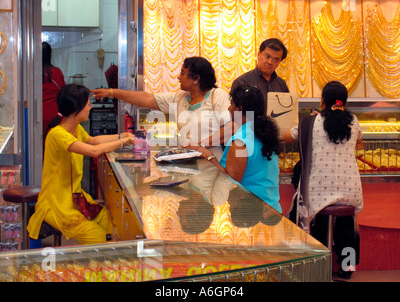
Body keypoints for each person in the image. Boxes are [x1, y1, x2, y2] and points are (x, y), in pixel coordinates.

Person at [27, 84, 135, 245]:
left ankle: (99, 264)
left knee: (109, 221)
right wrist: (123, 141)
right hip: (57, 204)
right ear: (76, 109)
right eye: (88, 104)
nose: (90, 107)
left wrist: (122, 134)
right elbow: (93, 151)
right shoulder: (58, 134)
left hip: (76, 199)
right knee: (101, 239)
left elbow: (92, 141)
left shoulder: (74, 128)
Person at [285, 81, 363, 279]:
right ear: (343, 102)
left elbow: (287, 136)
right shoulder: (353, 121)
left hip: (317, 192)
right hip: (350, 192)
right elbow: (360, 142)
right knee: (347, 224)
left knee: (302, 213)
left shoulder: (310, 122)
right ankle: (347, 268)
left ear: (322, 101)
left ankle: (315, 264)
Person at [92, 56, 231, 159]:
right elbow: (145, 98)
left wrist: (200, 146)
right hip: (188, 160)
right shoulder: (180, 97)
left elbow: (230, 128)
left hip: (211, 162)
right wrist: (111, 92)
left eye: (182, 73)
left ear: (196, 78)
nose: (178, 77)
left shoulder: (217, 96)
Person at [185, 85, 282, 213]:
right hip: (272, 207)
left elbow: (231, 182)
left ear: (239, 109)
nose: (229, 108)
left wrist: (208, 155)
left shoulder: (239, 141)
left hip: (254, 211)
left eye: (231, 104)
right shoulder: (263, 132)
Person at [42, 41, 66, 135]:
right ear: (50, 54)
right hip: (55, 114)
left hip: (37, 113)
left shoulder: (32, 73)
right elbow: (63, 92)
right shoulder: (57, 72)